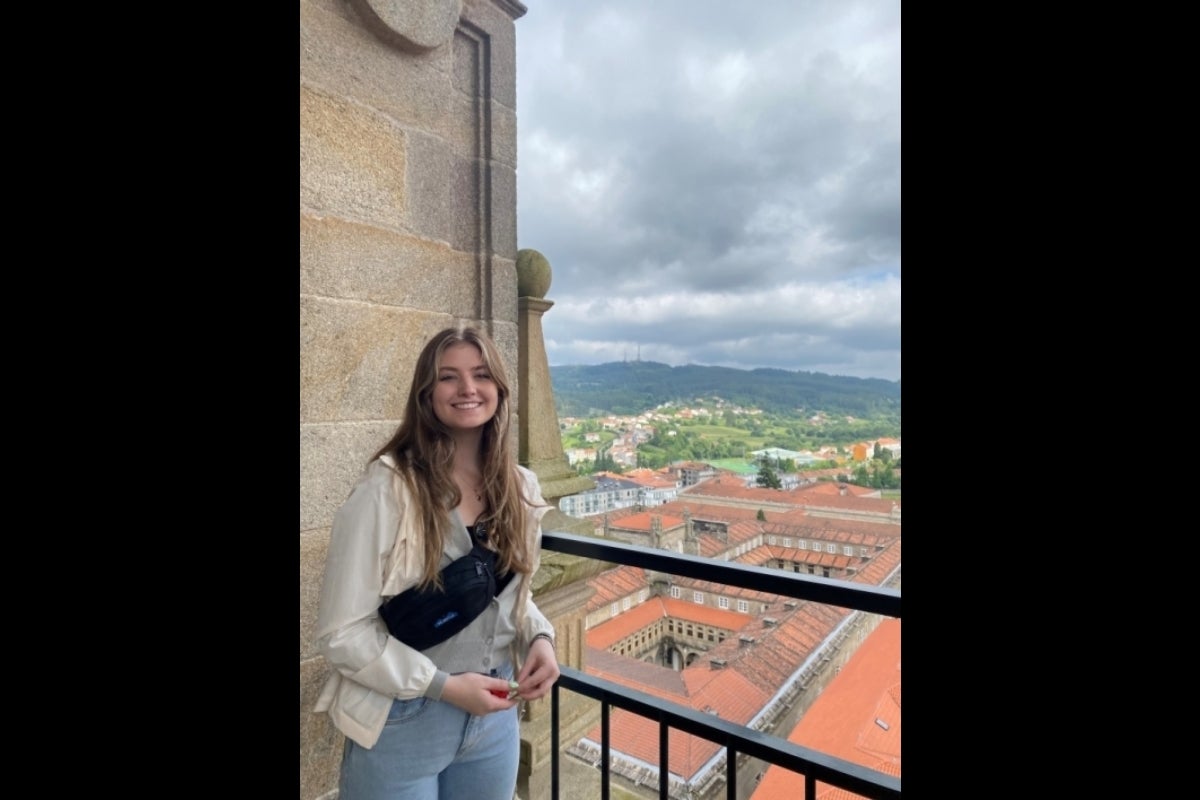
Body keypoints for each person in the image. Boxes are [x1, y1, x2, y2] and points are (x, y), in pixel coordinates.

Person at [313, 324, 560, 800]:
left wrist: (541, 637)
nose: (468, 388)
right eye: (449, 377)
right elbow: (341, 632)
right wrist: (442, 686)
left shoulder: (520, 487)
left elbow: (502, 591)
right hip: (404, 717)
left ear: (499, 389)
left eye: (481, 374)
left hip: (495, 715)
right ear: (427, 394)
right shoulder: (386, 490)